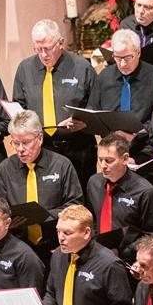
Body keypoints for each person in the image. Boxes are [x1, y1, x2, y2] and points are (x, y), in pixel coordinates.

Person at [0, 110, 83, 305]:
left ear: (40, 138)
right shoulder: (5, 169)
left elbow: (76, 204)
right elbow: (0, 205)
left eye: (26, 143)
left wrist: (46, 214)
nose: (20, 149)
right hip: (20, 248)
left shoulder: (62, 165)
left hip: (54, 246)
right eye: (15, 143)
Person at [12, 19, 97, 193]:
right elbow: (18, 106)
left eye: (48, 48)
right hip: (41, 149)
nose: (43, 54)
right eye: (38, 49)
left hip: (77, 146)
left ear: (61, 43)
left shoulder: (82, 67)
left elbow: (96, 105)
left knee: (80, 199)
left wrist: (84, 122)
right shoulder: (25, 69)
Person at [85, 133, 153, 265]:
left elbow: (152, 235)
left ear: (125, 159)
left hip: (128, 260)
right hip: (95, 256)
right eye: (100, 159)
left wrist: (123, 251)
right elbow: (91, 220)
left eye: (109, 160)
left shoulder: (145, 191)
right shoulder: (93, 182)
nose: (103, 165)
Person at [88, 28, 153, 155]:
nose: (122, 64)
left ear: (138, 52)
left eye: (128, 57)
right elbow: (93, 108)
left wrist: (138, 134)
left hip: (144, 148)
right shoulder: (104, 77)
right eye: (117, 57)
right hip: (110, 148)